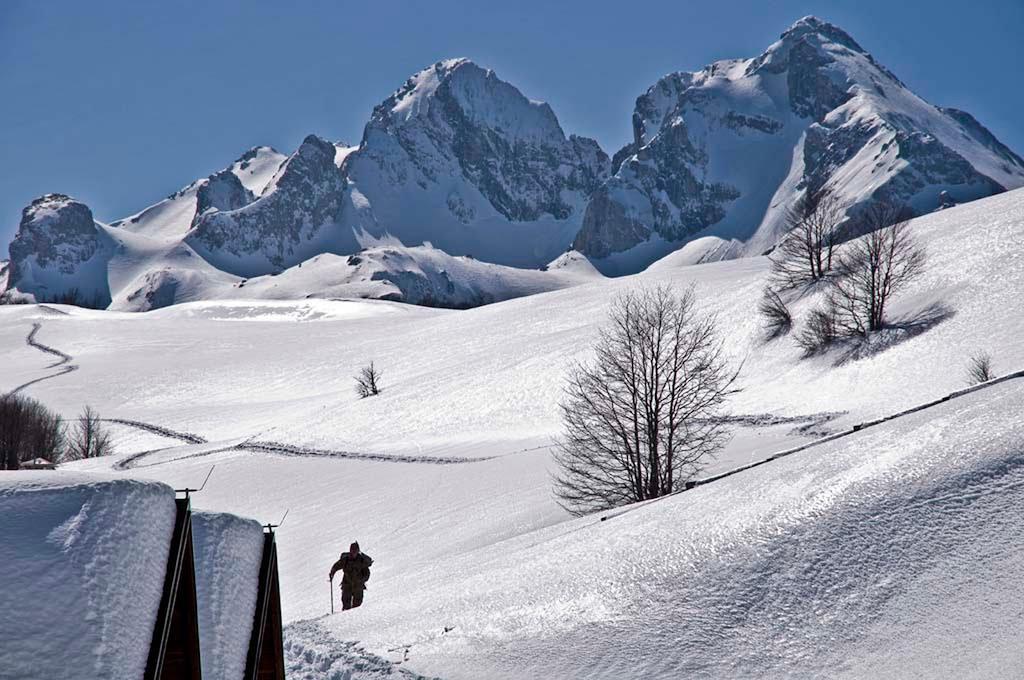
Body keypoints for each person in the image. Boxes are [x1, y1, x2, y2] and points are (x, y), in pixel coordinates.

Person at [329, 541, 373, 610]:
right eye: (352, 551)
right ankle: (345, 619)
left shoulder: (362, 560)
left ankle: (353, 619)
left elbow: (367, 573)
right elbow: (336, 566)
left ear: (357, 551)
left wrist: (362, 580)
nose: (353, 553)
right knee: (346, 605)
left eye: (355, 551)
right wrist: (332, 573)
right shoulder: (345, 559)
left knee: (357, 606)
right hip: (347, 585)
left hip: (358, 586)